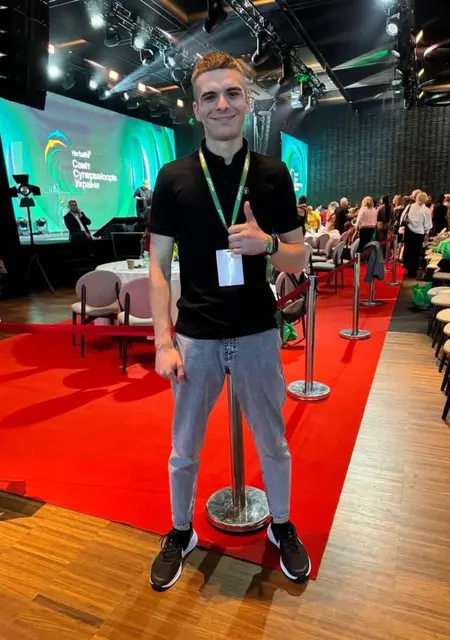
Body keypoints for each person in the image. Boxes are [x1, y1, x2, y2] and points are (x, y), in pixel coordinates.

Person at [148, 51, 310, 592]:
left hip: (258, 331)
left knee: (274, 442)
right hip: (195, 336)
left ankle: (281, 525)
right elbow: (157, 265)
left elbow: (299, 258)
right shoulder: (173, 177)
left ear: (247, 101)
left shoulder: (272, 174)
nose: (222, 103)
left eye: (232, 93)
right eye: (210, 96)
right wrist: (163, 340)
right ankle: (180, 531)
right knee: (183, 449)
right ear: (196, 109)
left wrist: (267, 245)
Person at [400, 191, 432, 278]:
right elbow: (428, 225)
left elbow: (402, 217)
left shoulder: (409, 206)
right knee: (416, 252)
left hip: (409, 232)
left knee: (407, 250)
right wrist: (425, 231)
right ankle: (413, 270)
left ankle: (407, 269)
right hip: (419, 234)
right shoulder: (426, 210)